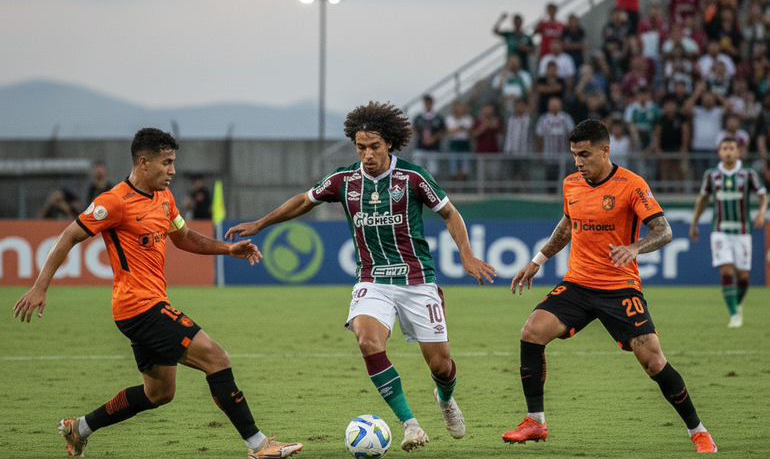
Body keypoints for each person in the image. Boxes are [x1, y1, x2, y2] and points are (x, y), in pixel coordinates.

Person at [13, 128, 302, 459]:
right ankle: (259, 445)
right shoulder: (114, 202)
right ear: (143, 162)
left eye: (174, 163)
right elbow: (67, 237)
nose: (173, 171)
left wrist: (228, 249)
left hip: (149, 307)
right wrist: (40, 285)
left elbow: (185, 238)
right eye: (167, 163)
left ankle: (77, 429)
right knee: (216, 358)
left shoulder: (165, 199)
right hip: (138, 308)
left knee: (160, 393)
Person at [225, 102, 496, 452]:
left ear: (390, 144)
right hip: (372, 280)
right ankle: (410, 425)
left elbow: (450, 213)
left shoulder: (412, 178)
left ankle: (445, 399)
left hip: (417, 281)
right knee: (367, 340)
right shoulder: (344, 180)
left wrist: (467, 254)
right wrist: (261, 223)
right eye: (361, 147)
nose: (367, 155)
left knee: (442, 367)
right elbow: (304, 201)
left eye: (375, 147)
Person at [503, 119, 717, 454]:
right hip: (577, 283)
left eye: (585, 154)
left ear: (605, 150)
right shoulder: (572, 183)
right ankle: (535, 422)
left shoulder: (631, 185)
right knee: (531, 331)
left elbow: (664, 231)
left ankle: (698, 430)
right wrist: (538, 260)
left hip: (620, 288)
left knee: (652, 360)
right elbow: (568, 223)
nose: (578, 162)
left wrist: (634, 248)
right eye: (574, 155)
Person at [689, 136, 767, 328]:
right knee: (726, 269)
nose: (728, 151)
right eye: (725, 148)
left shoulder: (748, 174)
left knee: (743, 276)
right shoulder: (712, 175)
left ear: (738, 152)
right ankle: (734, 315)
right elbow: (703, 199)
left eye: (732, 148)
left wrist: (761, 212)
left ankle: (737, 303)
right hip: (719, 230)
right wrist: (694, 223)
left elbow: (762, 194)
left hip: (742, 232)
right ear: (719, 152)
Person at [412, 95, 446, 176]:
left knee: (432, 172)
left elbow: (442, 131)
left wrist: (434, 138)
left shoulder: (438, 118)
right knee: (417, 171)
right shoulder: (419, 117)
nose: (427, 105)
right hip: (420, 147)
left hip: (433, 148)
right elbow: (414, 129)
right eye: (426, 103)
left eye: (429, 103)